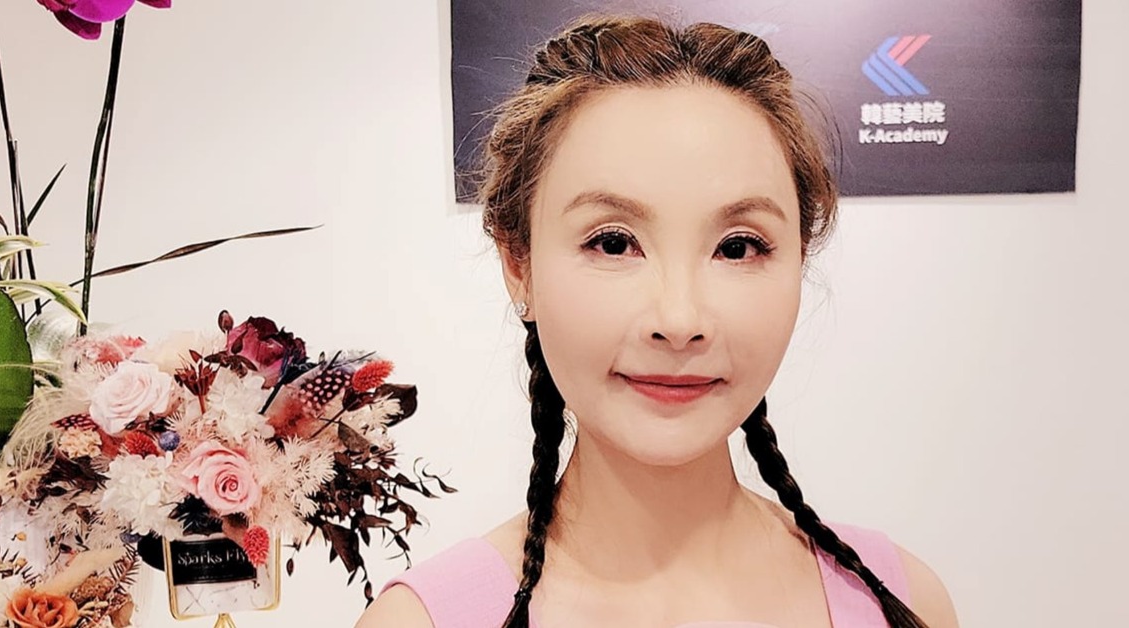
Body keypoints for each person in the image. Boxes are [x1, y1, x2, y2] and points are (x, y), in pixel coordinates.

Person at [357, 14, 958, 628]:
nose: (679, 319)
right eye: (613, 243)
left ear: (800, 259)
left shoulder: (904, 602)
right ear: (519, 265)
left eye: (738, 247)